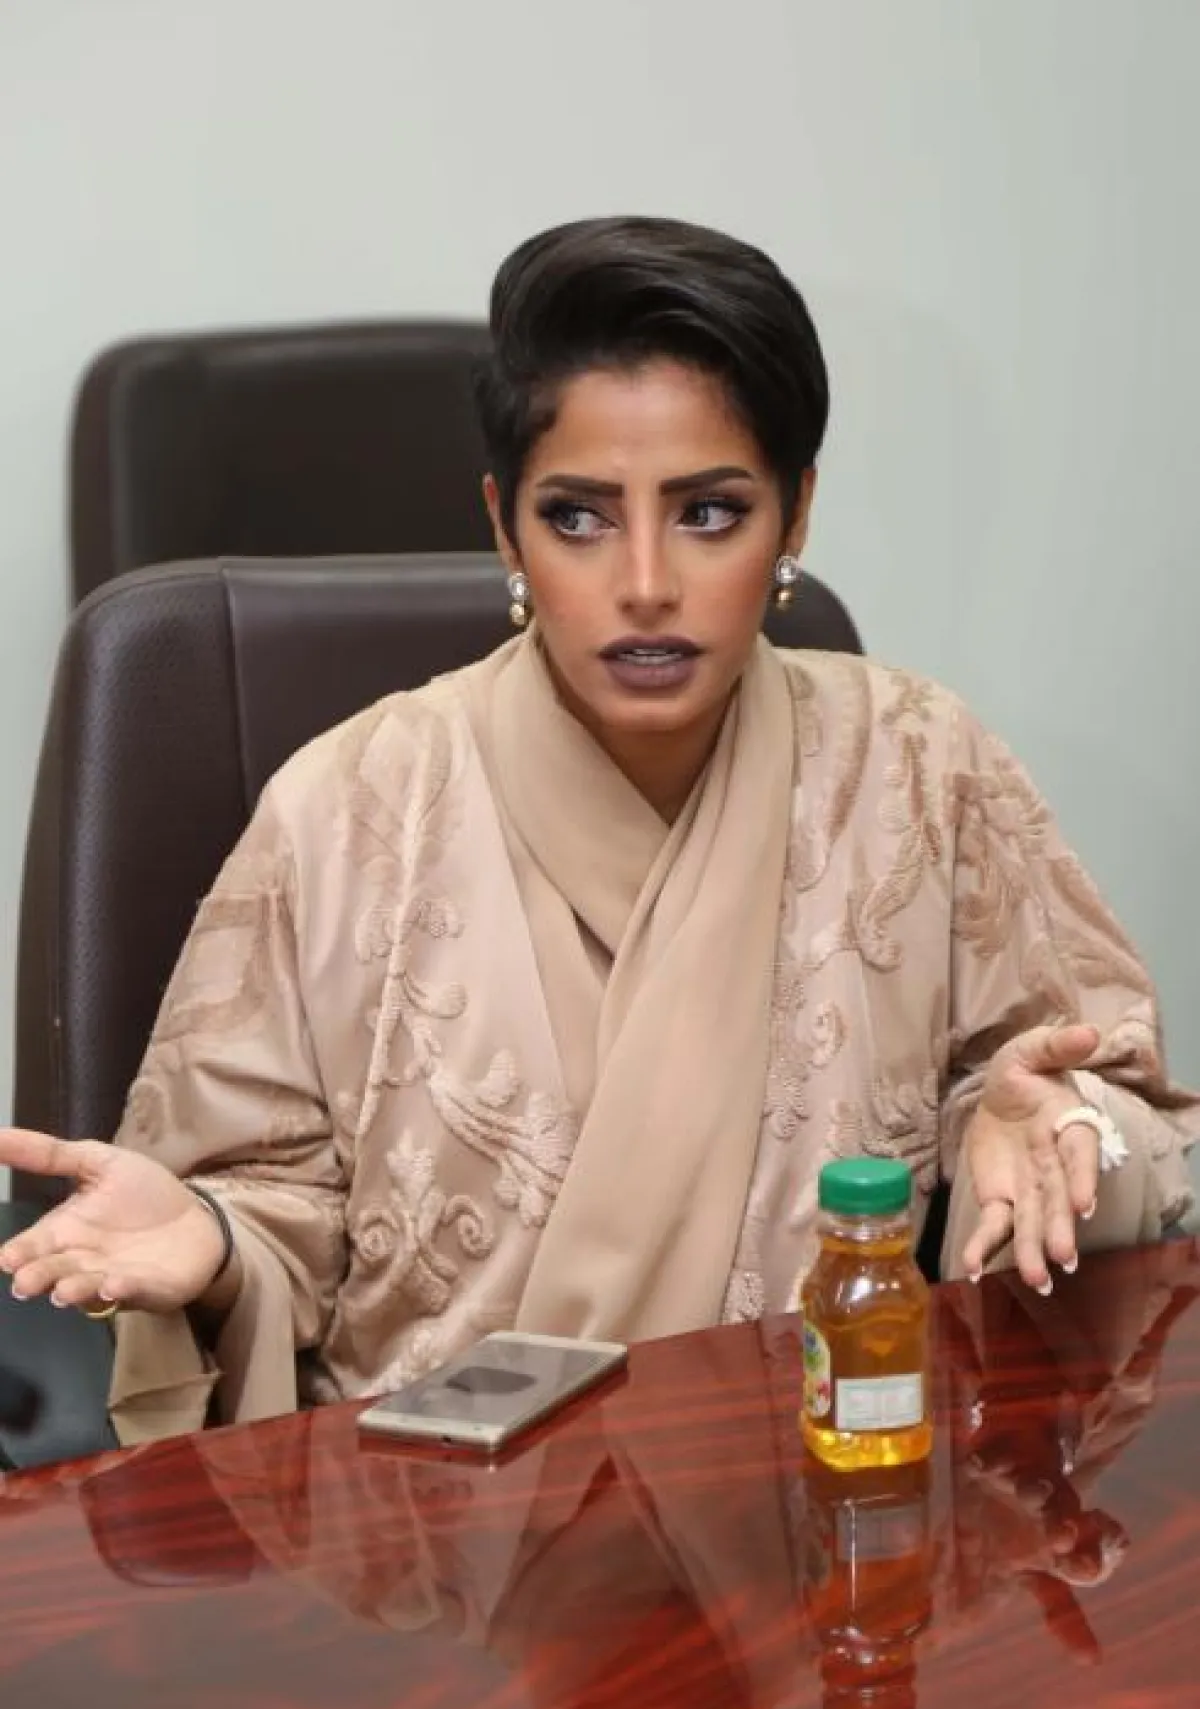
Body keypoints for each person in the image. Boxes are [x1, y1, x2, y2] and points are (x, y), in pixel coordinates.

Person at [0, 217, 1194, 1443]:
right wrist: (211, 1239)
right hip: (432, 1521)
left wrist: (1062, 1133)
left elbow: (1112, 1115)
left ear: (797, 515)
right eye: (578, 517)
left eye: (710, 512)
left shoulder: (919, 767)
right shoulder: (347, 809)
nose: (646, 583)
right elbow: (262, 1205)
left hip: (823, 1489)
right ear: (503, 525)